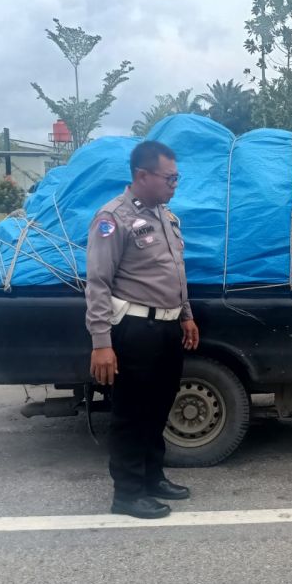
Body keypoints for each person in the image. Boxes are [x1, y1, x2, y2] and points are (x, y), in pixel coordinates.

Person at [85, 140, 200, 519]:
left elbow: (174, 272)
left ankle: (152, 477)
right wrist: (102, 343)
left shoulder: (164, 216)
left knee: (158, 408)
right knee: (132, 412)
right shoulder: (112, 218)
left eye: (177, 177)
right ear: (142, 175)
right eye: (170, 177)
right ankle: (128, 492)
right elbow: (98, 283)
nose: (175, 184)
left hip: (167, 329)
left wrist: (185, 314)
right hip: (134, 329)